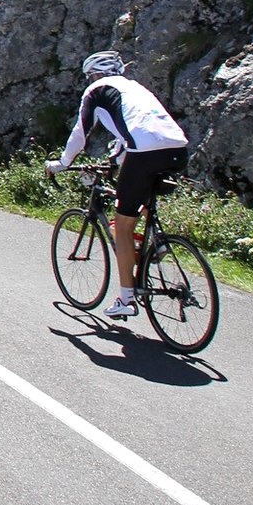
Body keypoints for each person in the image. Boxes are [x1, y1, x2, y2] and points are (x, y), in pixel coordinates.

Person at [47, 51, 190, 319]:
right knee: (136, 195)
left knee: (122, 226)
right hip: (177, 150)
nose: (90, 79)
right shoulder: (135, 89)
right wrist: (114, 159)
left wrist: (63, 163)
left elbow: (81, 132)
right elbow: (133, 133)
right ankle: (155, 243)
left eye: (90, 76)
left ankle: (126, 299)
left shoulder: (96, 91)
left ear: (95, 74)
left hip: (144, 153)